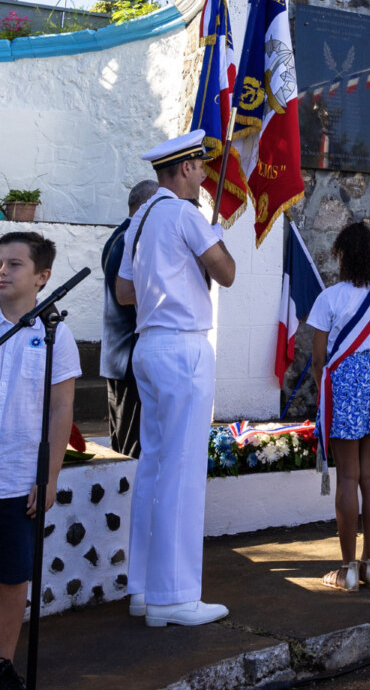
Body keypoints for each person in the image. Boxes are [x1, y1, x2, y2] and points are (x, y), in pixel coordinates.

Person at [116, 130, 235, 628]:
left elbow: (125, 292)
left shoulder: (139, 219)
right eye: (200, 167)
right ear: (183, 169)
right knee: (183, 472)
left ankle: (144, 590)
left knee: (154, 470)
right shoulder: (185, 214)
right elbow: (225, 273)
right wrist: (213, 239)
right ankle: (177, 596)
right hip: (183, 345)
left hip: (148, 346)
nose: (206, 174)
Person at [0, 231, 81, 690]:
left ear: (42, 277)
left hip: (15, 479)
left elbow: (60, 410)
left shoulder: (55, 335)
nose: (3, 272)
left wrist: (48, 477)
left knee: (12, 577)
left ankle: (3, 663)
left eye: (14, 264)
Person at [309, 222, 370, 592]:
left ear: (343, 256)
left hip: (342, 382)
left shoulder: (329, 298)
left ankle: (347, 570)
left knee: (347, 477)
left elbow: (317, 358)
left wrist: (328, 391)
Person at [100, 179, 158, 457]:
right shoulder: (131, 241)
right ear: (147, 206)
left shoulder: (118, 236)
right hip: (128, 357)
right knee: (130, 449)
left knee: (121, 445)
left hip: (117, 356)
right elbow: (130, 296)